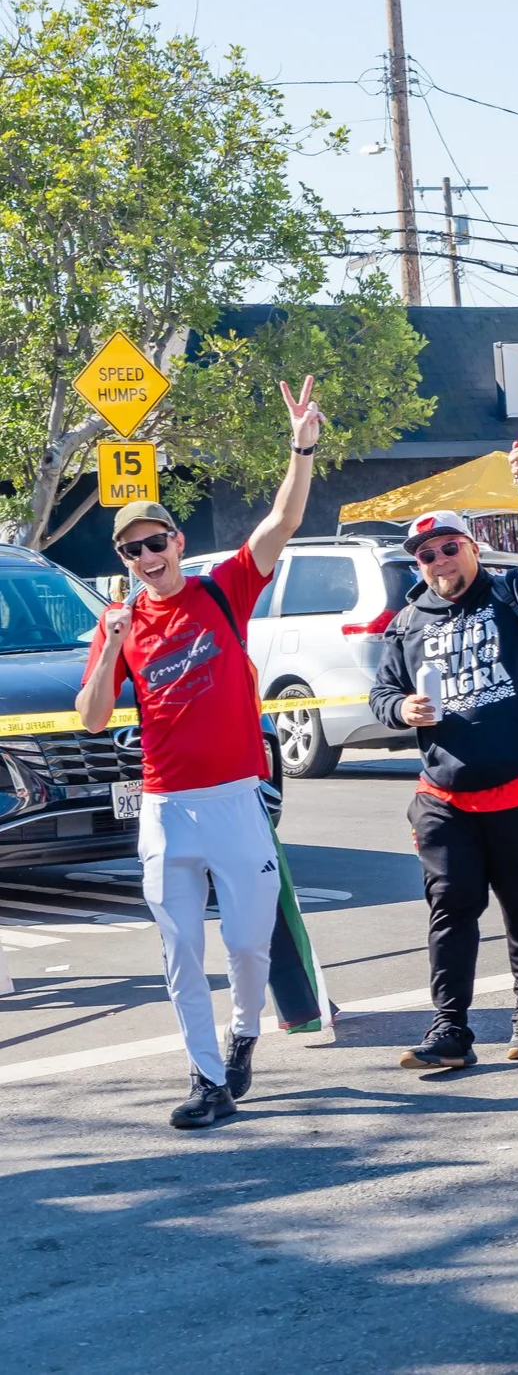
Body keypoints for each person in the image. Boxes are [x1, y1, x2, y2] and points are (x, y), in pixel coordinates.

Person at [77, 376, 325, 1129]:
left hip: (233, 799)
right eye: (131, 549)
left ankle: (244, 1033)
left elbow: (282, 519)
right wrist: (111, 647)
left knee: (247, 943)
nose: (146, 555)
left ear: (177, 541)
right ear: (123, 558)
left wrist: (302, 445)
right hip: (165, 807)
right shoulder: (120, 623)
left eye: (155, 541)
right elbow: (91, 720)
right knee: (181, 950)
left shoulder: (222, 590)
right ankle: (207, 1079)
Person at [369, 444, 518, 1071]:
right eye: (424, 555)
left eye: (447, 547)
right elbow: (381, 694)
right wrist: (401, 711)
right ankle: (450, 1029)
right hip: (445, 795)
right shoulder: (406, 622)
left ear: (472, 547)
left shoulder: (514, 598)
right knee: (450, 907)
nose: (436, 561)